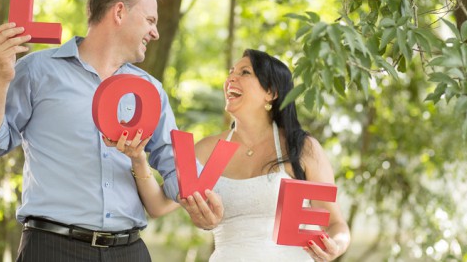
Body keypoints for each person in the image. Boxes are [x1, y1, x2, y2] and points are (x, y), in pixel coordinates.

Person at [0, 0, 223, 261]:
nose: (155, 33)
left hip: (129, 251)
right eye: (150, 20)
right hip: (53, 249)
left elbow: (176, 167)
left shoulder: (151, 91)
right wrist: (0, 76)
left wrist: (197, 203)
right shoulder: (37, 71)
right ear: (120, 12)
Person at [121, 49, 351, 261]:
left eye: (245, 72)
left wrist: (335, 246)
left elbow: (337, 224)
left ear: (270, 92)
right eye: (231, 72)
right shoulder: (206, 149)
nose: (231, 78)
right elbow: (158, 206)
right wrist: (138, 159)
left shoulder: (301, 147)